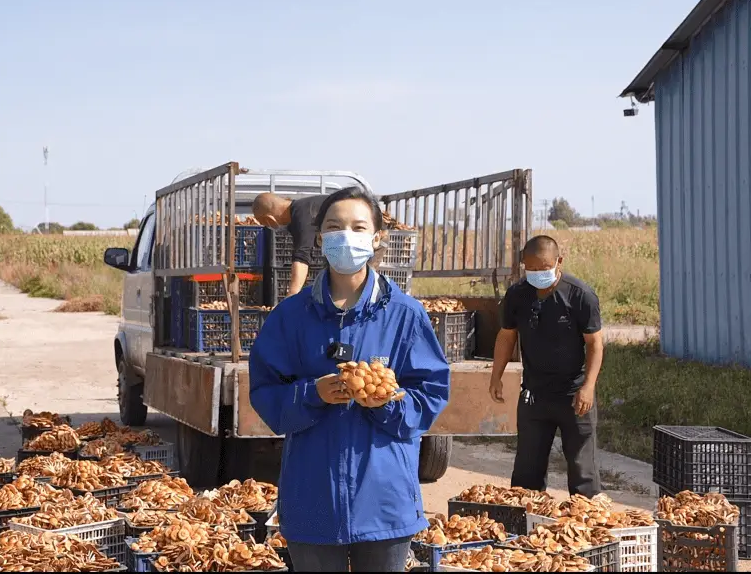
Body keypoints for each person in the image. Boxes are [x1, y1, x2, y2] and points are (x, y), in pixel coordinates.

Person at [248, 186, 451, 572]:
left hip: (384, 503)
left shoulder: (406, 315)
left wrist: (390, 403)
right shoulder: (290, 317)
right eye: (334, 227)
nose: (346, 236)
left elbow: (431, 393)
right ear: (320, 238)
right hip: (312, 499)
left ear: (377, 238)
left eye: (358, 227)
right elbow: (265, 392)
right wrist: (313, 394)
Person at [489, 235, 604, 497]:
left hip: (574, 397)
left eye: (544, 268)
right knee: (527, 471)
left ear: (558, 262)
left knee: (582, 469)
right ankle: (524, 525)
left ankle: (585, 526)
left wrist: (588, 387)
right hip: (534, 396)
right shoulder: (518, 295)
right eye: (531, 269)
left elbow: (595, 344)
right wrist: (496, 376)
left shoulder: (580, 295)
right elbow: (507, 336)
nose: (538, 274)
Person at [253, 192, 388, 297]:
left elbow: (301, 257)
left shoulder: (302, 216)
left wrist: (292, 294)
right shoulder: (302, 209)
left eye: (265, 223)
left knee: (359, 283)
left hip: (369, 239)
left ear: (269, 220)